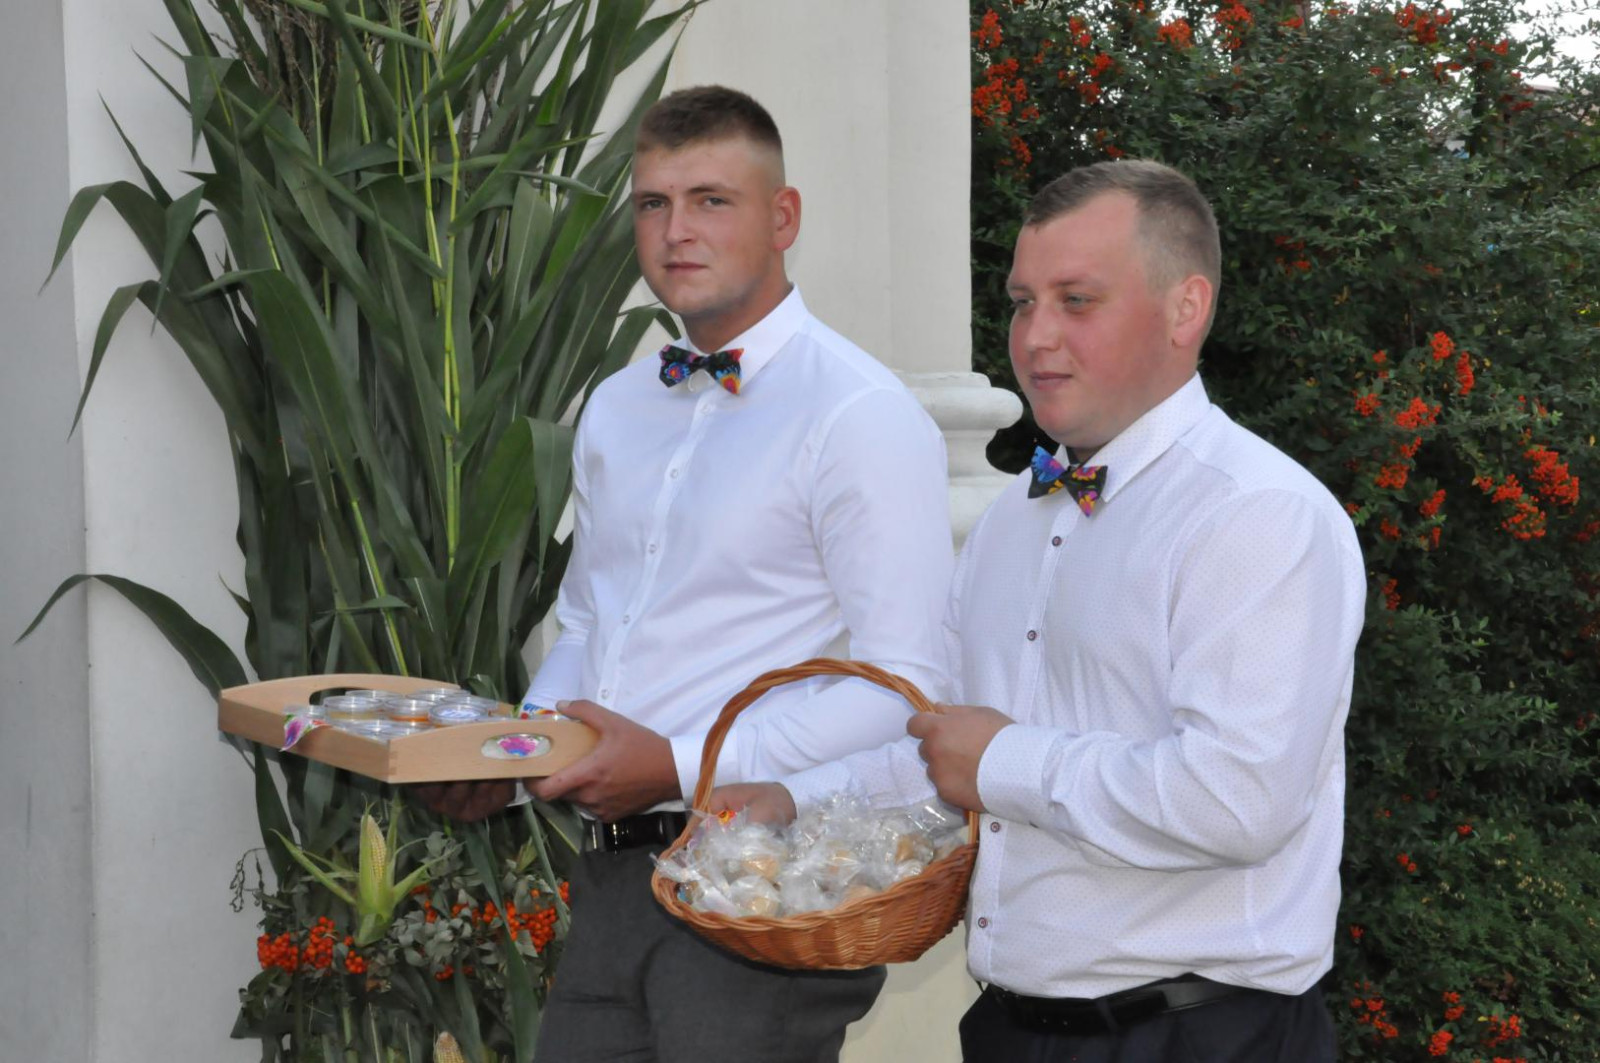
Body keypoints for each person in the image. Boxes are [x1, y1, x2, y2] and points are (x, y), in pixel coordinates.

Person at [715, 160, 1365, 1063]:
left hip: (1201, 1037)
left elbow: (1237, 799)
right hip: (1012, 1032)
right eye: (1024, 302)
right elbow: (946, 743)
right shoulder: (1011, 522)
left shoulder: (1258, 514)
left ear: (1186, 309)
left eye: (1077, 300)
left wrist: (1005, 760)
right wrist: (795, 799)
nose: (1035, 336)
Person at [421, 85, 954, 1063]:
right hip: (610, 881)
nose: (676, 231)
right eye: (653, 204)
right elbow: (588, 623)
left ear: (782, 217)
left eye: (712, 199)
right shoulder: (617, 405)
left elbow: (906, 686)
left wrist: (675, 764)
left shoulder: (859, 415)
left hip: (761, 887)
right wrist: (513, 759)